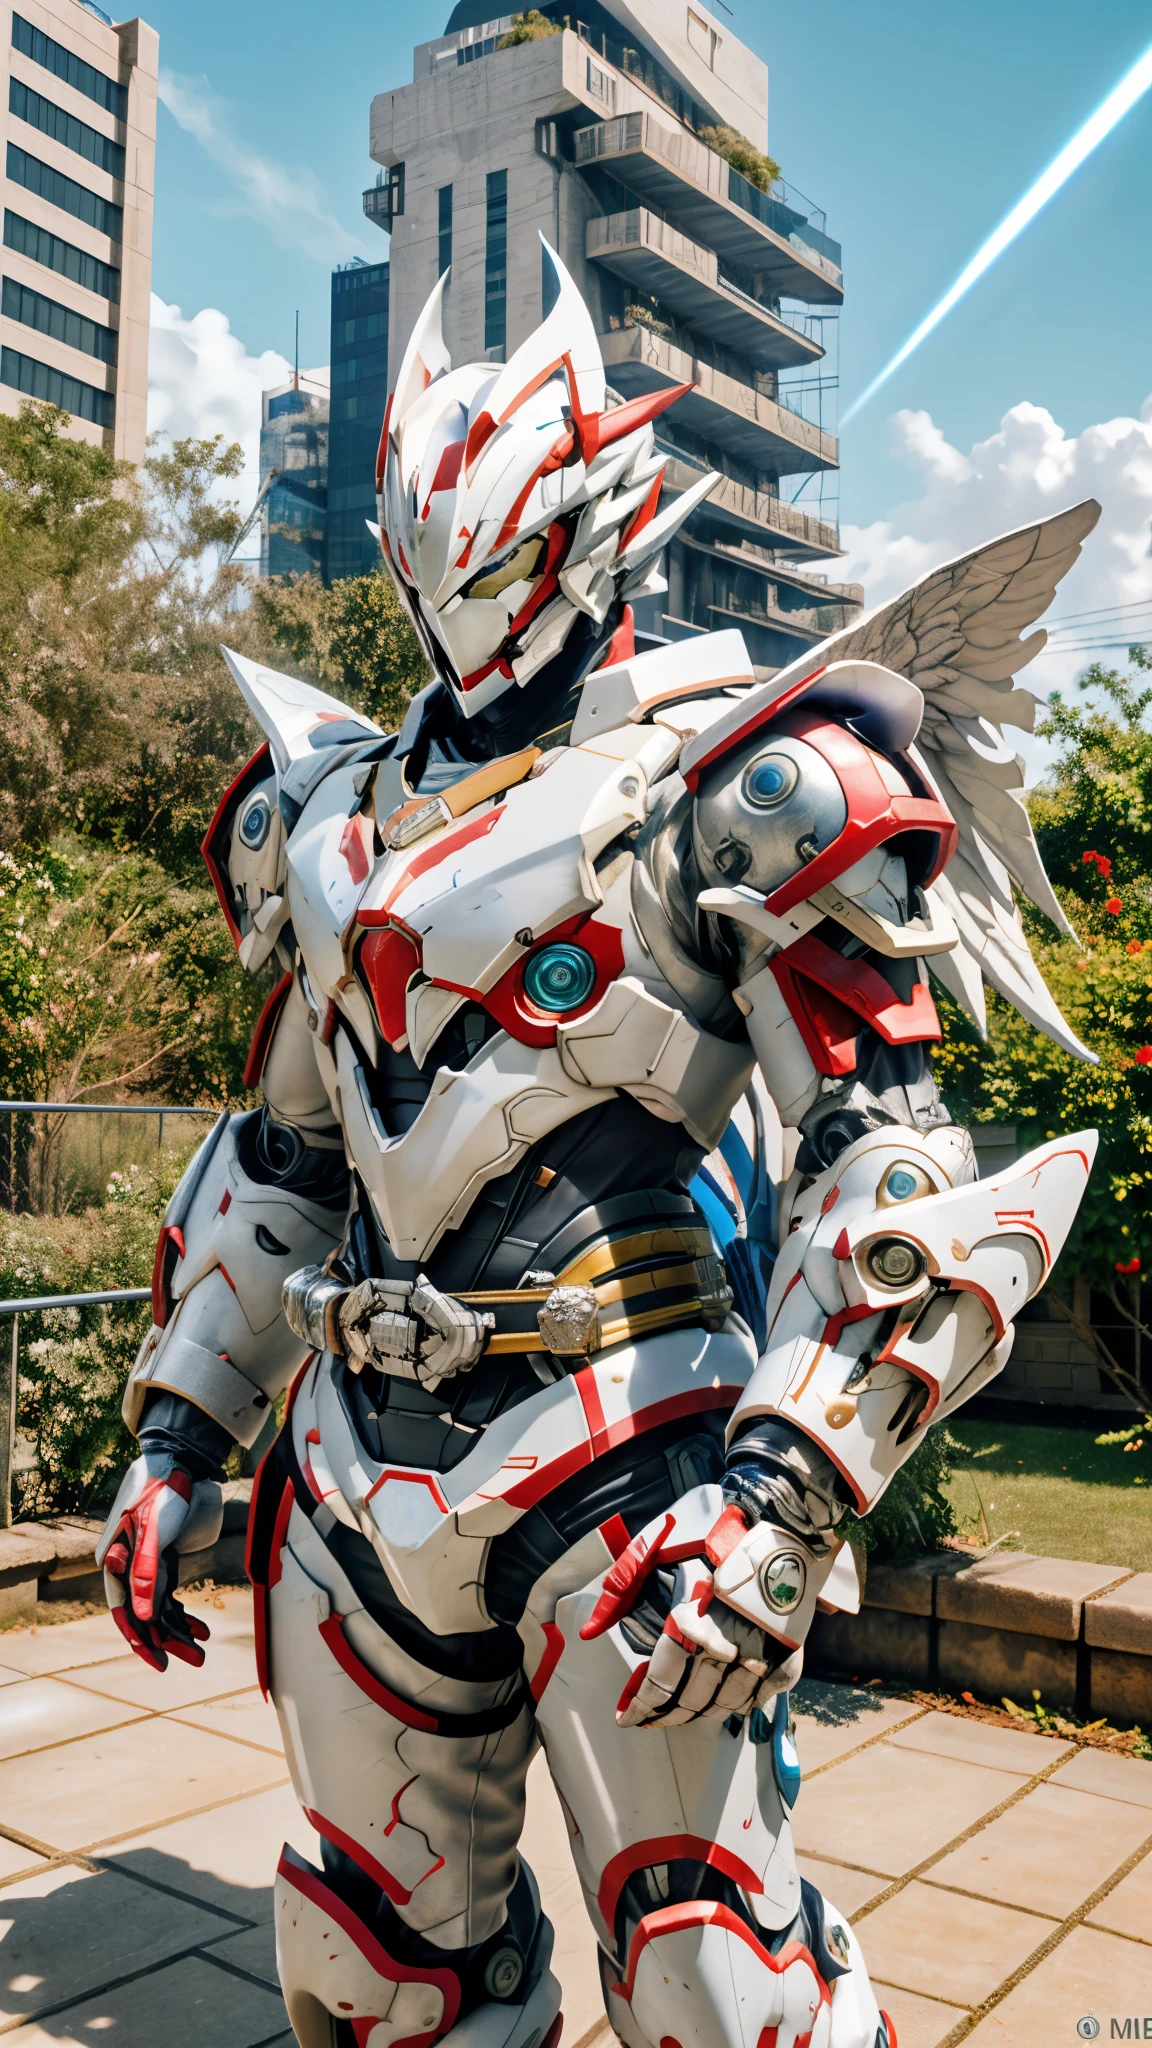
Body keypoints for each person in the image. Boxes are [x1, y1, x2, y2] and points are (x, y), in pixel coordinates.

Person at [98, 246, 1097, 2048]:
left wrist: (786, 1491)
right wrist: (180, 1429)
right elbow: (286, 1151)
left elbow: (898, 1162)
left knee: (714, 1978)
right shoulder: (325, 815)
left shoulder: (738, 776)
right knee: (376, 1971)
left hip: (630, 1458)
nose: (457, 588)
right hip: (353, 1465)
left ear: (589, 524)